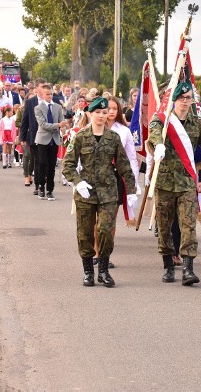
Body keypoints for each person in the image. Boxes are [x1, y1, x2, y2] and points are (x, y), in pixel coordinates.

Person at [62, 97, 137, 287]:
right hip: (86, 192)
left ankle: (103, 270)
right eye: (98, 112)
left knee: (105, 230)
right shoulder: (80, 136)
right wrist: (78, 183)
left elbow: (124, 165)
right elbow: (68, 165)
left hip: (108, 192)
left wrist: (131, 190)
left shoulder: (113, 138)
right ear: (90, 114)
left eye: (105, 113)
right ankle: (88, 272)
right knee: (85, 233)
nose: (102, 116)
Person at [147, 82, 201, 285]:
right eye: (182, 98)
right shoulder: (162, 120)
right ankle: (168, 265)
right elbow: (154, 133)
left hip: (187, 182)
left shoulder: (198, 123)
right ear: (173, 100)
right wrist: (158, 144)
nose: (185, 102)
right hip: (165, 182)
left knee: (188, 225)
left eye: (189, 98)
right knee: (165, 226)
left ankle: (188, 268)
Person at [34, 83, 67, 201]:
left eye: (51, 94)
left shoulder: (58, 107)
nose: (49, 96)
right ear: (42, 95)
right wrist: (58, 125)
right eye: (47, 94)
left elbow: (61, 121)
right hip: (43, 139)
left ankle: (50, 190)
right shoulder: (38, 108)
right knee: (42, 163)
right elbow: (43, 124)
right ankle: (41, 186)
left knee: (52, 166)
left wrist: (63, 127)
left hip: (54, 140)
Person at [20, 78, 45, 194]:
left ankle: (44, 182)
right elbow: (25, 121)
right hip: (34, 135)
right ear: (36, 88)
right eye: (42, 86)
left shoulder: (50, 100)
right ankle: (37, 184)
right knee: (37, 160)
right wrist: (22, 137)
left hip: (48, 136)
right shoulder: (30, 102)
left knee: (45, 161)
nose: (44, 89)